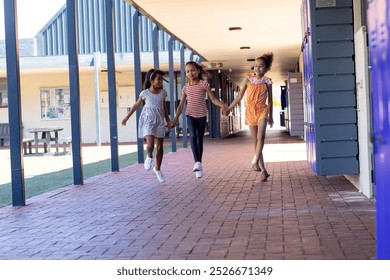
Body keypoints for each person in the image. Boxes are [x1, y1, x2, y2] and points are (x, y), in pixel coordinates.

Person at [171, 61, 229, 178]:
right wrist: (175, 118)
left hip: (202, 115)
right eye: (187, 71)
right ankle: (197, 162)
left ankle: (199, 165)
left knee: (199, 139)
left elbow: (213, 99)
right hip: (190, 115)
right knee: (192, 136)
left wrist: (222, 105)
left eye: (192, 70)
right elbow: (181, 105)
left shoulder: (204, 84)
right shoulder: (185, 88)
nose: (190, 73)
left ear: (197, 71)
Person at [227, 52, 274, 182]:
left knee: (261, 136)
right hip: (250, 111)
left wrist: (271, 116)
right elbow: (239, 97)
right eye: (255, 66)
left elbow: (270, 101)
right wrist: (229, 108)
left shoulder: (268, 82)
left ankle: (255, 162)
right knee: (256, 142)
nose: (257, 68)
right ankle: (263, 171)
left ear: (267, 68)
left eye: (261, 66)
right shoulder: (248, 79)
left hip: (262, 110)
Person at [121, 69, 171, 183]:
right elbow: (136, 105)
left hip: (159, 121)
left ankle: (157, 169)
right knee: (150, 146)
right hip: (148, 120)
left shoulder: (163, 93)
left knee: (160, 148)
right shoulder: (145, 93)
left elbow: (164, 108)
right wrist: (127, 117)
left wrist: (168, 121)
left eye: (162, 80)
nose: (160, 82)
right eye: (158, 79)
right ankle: (149, 155)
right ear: (151, 80)